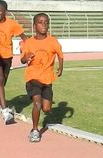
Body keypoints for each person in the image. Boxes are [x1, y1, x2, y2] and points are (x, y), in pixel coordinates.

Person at [20, 13, 64, 142]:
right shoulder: (28, 42)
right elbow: (22, 59)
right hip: (33, 78)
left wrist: (61, 67)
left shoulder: (53, 41)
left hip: (47, 79)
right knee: (37, 103)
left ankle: (38, 115)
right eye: (40, 22)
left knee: (47, 108)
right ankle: (34, 130)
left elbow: (60, 55)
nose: (43, 24)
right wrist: (25, 58)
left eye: (46, 22)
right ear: (35, 25)